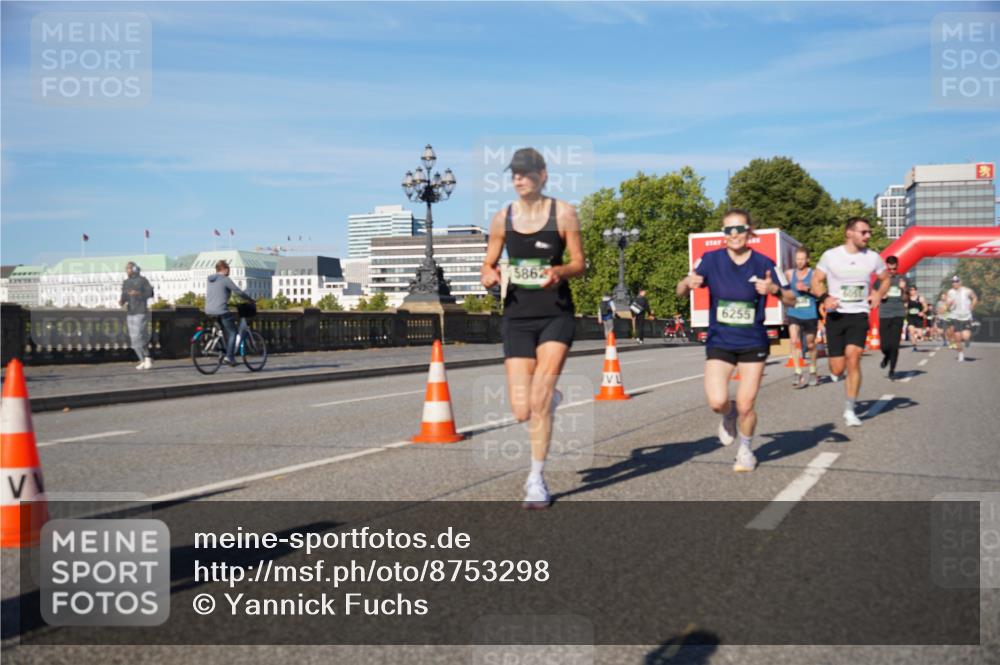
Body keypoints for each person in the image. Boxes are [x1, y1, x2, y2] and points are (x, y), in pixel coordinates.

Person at [480, 147, 585, 509]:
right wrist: (489, 274)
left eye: (525, 172)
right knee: (521, 409)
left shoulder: (564, 213)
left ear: (543, 175)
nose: (519, 178)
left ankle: (536, 479)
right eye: (514, 173)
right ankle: (550, 399)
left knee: (537, 403)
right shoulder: (502, 219)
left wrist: (561, 271)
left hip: (556, 313)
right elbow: (488, 263)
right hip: (517, 316)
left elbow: (579, 262)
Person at [676, 208, 796, 472]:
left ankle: (745, 449)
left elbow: (791, 298)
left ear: (749, 231)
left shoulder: (765, 264)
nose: (734, 235)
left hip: (753, 341)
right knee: (717, 402)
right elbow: (681, 291)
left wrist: (774, 289)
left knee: (746, 404)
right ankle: (727, 415)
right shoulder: (709, 259)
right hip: (720, 340)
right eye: (728, 230)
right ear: (724, 235)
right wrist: (687, 282)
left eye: (739, 229)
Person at [811, 217, 892, 427]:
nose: (868, 236)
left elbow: (886, 279)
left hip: (859, 314)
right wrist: (825, 298)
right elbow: (816, 281)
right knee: (837, 368)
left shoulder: (873, 257)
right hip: (837, 315)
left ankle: (850, 409)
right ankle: (836, 372)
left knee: (853, 357)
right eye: (863, 232)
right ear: (849, 233)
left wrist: (877, 294)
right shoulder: (831, 256)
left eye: (869, 232)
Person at [205, 260, 254, 366]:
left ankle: (222, 348)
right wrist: (250, 300)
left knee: (223, 330)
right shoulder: (225, 279)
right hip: (221, 310)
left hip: (209, 310)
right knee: (233, 332)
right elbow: (238, 291)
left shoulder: (210, 280)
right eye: (229, 269)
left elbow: (218, 295)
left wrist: (230, 304)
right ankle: (229, 356)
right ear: (225, 269)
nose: (229, 271)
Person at [784, 247, 819, 388]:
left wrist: (807, 289)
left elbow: (820, 293)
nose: (799, 262)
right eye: (797, 259)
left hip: (810, 313)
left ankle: (813, 371)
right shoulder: (789, 274)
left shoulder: (814, 274)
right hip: (794, 312)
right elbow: (784, 290)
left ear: (807, 260)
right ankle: (798, 372)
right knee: (794, 341)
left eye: (802, 259)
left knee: (810, 344)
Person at [873, 256, 907, 380]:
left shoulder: (903, 278)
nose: (892, 271)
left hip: (898, 313)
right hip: (885, 314)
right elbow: (874, 294)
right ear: (886, 267)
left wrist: (903, 290)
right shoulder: (881, 280)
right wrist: (881, 295)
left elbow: (906, 299)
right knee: (885, 345)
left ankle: (892, 369)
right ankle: (886, 356)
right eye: (890, 269)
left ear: (897, 266)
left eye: (894, 269)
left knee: (895, 344)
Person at [119, 261, 154, 370]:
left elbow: (150, 293)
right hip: (130, 312)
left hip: (141, 311)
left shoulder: (143, 281)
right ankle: (142, 359)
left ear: (135, 269)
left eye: (129, 268)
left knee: (139, 335)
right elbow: (124, 295)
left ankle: (147, 357)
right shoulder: (126, 282)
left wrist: (137, 293)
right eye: (126, 269)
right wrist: (122, 301)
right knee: (133, 338)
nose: (127, 271)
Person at [946, 275, 978, 362]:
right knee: (957, 338)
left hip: (966, 317)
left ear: (960, 282)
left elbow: (975, 298)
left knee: (966, 336)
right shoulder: (950, 292)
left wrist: (972, 306)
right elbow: (947, 304)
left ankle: (967, 340)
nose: (954, 283)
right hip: (955, 317)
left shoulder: (967, 291)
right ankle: (960, 353)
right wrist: (949, 304)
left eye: (956, 281)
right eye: (953, 282)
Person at [906, 285, 929, 352]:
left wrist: (922, 312)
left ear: (916, 290)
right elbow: (905, 308)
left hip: (918, 317)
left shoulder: (920, 298)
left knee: (919, 334)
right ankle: (914, 346)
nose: (911, 291)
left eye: (913, 290)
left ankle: (920, 334)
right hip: (910, 317)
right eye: (910, 290)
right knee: (911, 331)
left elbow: (926, 307)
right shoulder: (907, 299)